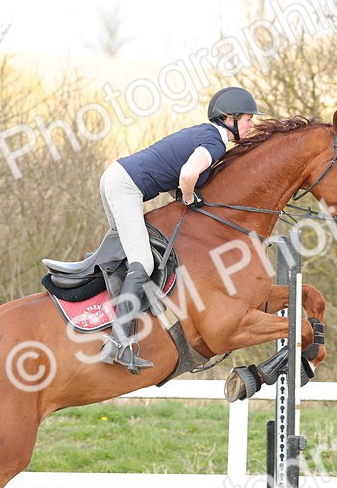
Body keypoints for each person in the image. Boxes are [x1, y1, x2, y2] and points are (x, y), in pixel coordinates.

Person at [98, 86, 262, 372]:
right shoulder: (215, 142)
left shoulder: (207, 134)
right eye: (248, 119)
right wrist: (188, 197)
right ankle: (118, 342)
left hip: (117, 178)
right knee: (142, 260)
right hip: (124, 187)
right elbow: (188, 174)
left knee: (131, 256)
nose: (251, 124)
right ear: (230, 118)